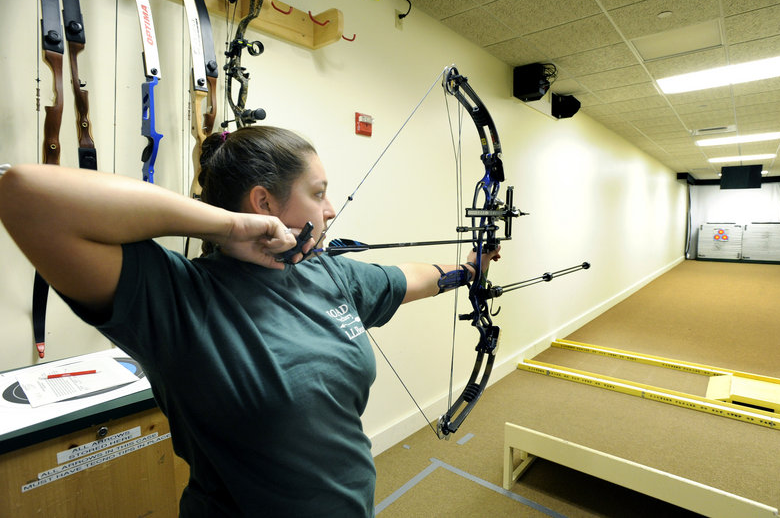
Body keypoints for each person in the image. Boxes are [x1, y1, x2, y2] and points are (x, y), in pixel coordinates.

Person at [0, 126, 499, 517]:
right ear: (263, 203)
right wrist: (230, 225)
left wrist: (468, 269)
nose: (329, 209)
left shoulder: (328, 273)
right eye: (318, 192)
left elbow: (408, 277)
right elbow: (24, 193)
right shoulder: (177, 297)